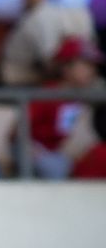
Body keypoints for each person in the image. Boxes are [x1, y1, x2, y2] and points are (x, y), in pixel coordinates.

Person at [26, 36, 102, 179]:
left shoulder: (87, 95)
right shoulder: (47, 94)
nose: (91, 71)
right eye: (86, 65)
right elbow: (19, 132)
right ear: (65, 67)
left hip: (60, 153)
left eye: (93, 66)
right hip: (36, 150)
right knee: (56, 167)